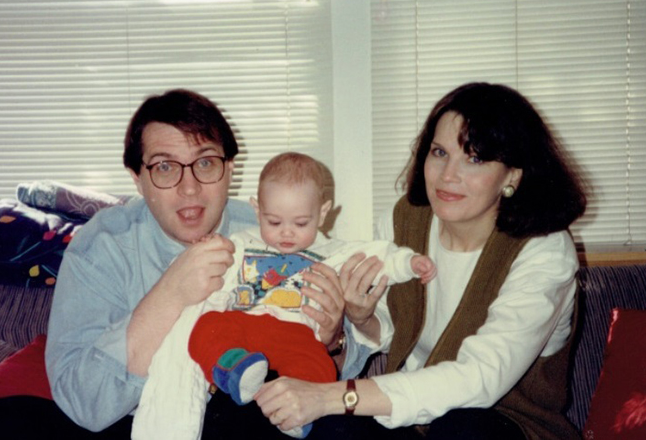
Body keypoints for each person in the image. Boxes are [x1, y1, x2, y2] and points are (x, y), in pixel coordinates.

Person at [0, 89, 347, 439]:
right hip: (131, 419)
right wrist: (170, 294)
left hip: (244, 413)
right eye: (165, 167)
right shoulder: (102, 245)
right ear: (137, 178)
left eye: (205, 162)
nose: (189, 187)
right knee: (0, 419)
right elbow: (83, 403)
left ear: (230, 168)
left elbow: (332, 370)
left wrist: (336, 337)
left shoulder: (275, 229)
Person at [252, 82, 587, 440]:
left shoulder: (544, 249)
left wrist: (334, 396)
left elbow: (481, 377)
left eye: (473, 158)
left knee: (462, 428)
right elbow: (394, 329)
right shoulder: (404, 221)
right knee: (331, 429)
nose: (448, 175)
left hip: (510, 425)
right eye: (439, 152)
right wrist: (363, 318)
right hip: (414, 423)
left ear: (513, 175)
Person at [132, 152, 436, 440]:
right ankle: (235, 369)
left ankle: (296, 418)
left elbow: (379, 255)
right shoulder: (240, 242)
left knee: (318, 365)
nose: (286, 233)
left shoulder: (334, 251)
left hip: (295, 334)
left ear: (323, 213)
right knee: (204, 328)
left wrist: (409, 263)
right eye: (274, 222)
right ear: (256, 210)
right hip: (243, 327)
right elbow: (189, 270)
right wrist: (206, 246)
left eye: (300, 223)